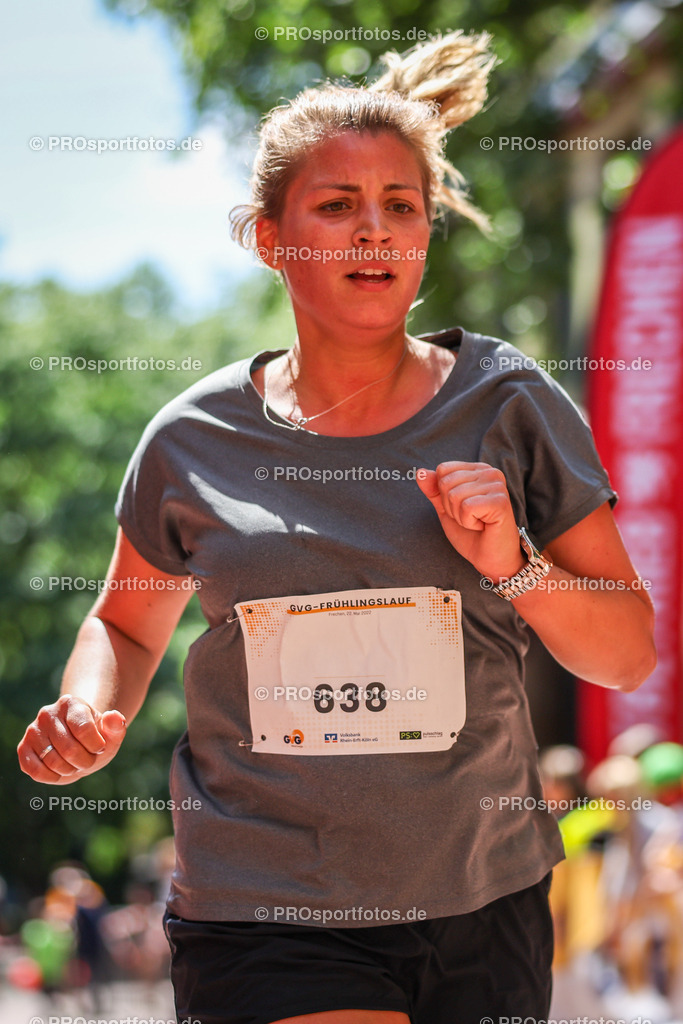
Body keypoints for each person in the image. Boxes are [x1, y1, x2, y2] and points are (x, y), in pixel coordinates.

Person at [18, 28, 656, 1024]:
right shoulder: (192, 438)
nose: (373, 232)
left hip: (482, 897)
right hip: (265, 903)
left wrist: (515, 565)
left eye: (399, 206)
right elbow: (125, 624)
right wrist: (89, 712)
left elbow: (624, 654)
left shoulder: (508, 402)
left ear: (425, 232)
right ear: (268, 238)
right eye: (335, 206)